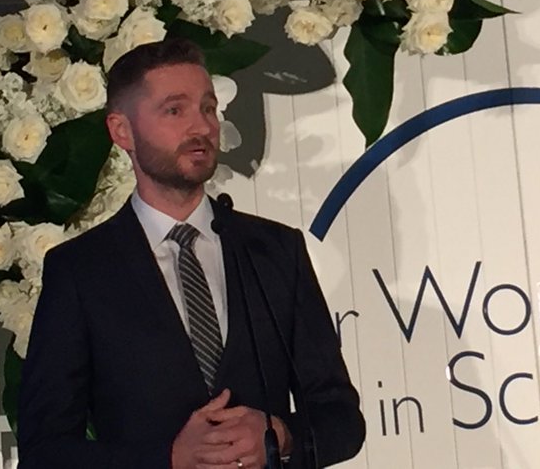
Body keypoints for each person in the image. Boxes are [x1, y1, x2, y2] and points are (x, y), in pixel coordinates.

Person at [18, 37, 365, 469]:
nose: (201, 126)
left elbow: (342, 420)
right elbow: (44, 452)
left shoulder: (275, 251)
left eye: (208, 108)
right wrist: (169, 458)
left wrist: (280, 436)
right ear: (122, 131)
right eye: (174, 110)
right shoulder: (80, 271)